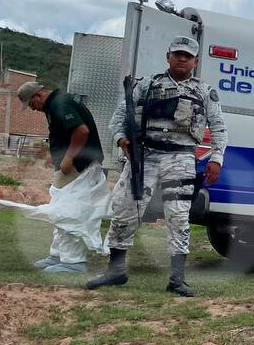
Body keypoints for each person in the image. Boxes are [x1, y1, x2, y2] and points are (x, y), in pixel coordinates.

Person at [87, 36, 227, 297]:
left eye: (187, 55)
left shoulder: (204, 91)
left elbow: (219, 127)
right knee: (125, 209)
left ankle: (177, 278)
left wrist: (216, 159)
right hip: (145, 155)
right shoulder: (147, 85)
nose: (182, 59)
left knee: (178, 216)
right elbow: (119, 116)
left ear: (195, 61)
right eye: (177, 54)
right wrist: (121, 140)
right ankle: (116, 270)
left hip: (182, 158)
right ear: (168, 57)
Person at [17, 81, 105, 273]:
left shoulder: (59, 104)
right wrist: (57, 158)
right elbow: (65, 134)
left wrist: (68, 158)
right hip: (73, 166)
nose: (32, 110)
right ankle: (57, 255)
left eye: (31, 105)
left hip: (79, 166)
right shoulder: (55, 104)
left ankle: (73, 262)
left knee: (67, 211)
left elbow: (82, 131)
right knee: (59, 207)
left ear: (38, 95)